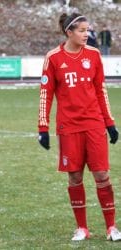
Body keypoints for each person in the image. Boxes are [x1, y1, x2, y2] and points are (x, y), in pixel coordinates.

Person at [38, 12, 121, 242]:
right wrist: (42, 127)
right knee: (74, 177)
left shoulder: (94, 55)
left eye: (88, 30)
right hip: (69, 127)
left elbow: (100, 90)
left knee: (102, 175)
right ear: (69, 32)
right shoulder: (53, 58)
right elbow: (46, 94)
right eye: (82, 31)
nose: (87, 34)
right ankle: (82, 228)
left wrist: (110, 123)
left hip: (94, 124)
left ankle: (111, 227)